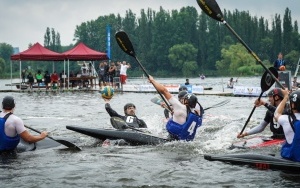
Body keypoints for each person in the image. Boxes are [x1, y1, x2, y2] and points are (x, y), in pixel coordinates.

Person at [149, 75, 202, 141]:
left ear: (186, 101)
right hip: (185, 140)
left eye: (183, 99)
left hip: (173, 137)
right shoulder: (195, 113)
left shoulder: (179, 106)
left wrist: (152, 81)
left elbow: (164, 91)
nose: (181, 100)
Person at [275, 89, 300, 162]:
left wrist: (285, 97)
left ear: (292, 105)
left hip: (291, 160)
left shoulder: (285, 119)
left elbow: (276, 114)